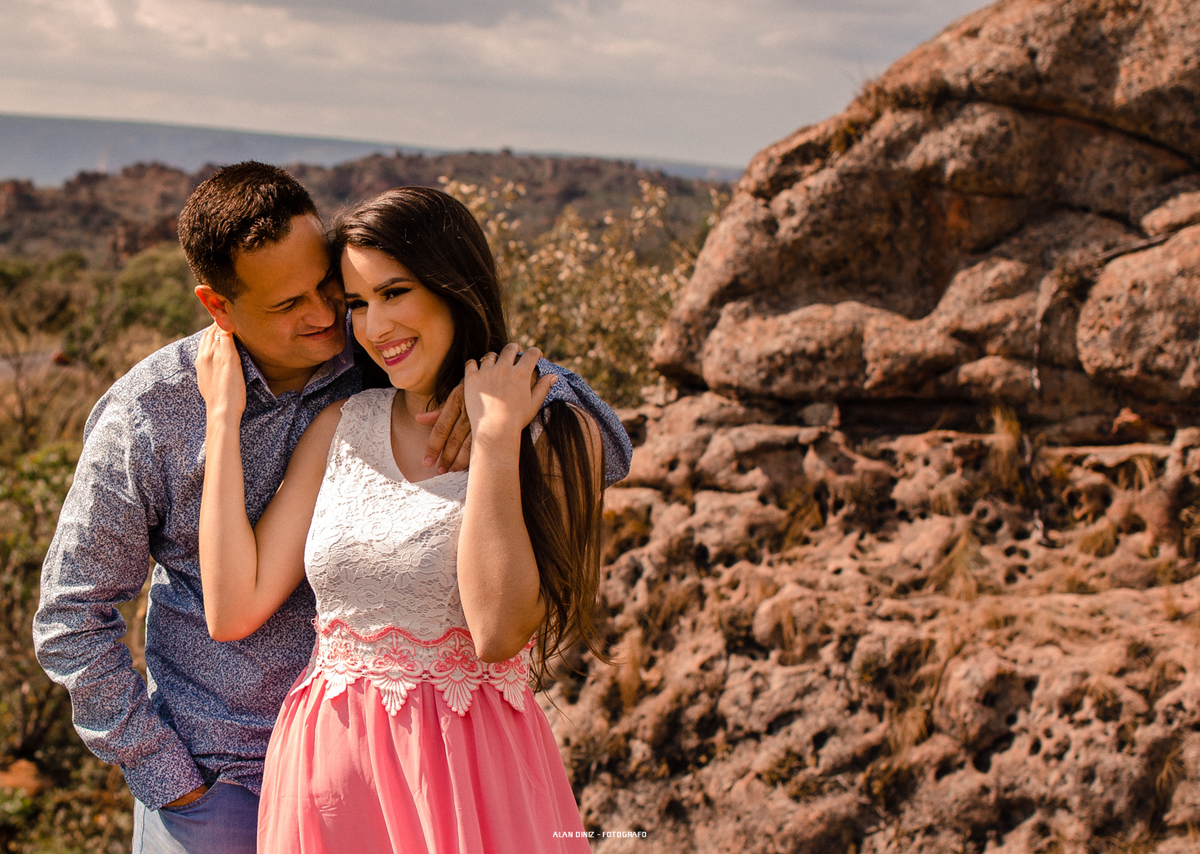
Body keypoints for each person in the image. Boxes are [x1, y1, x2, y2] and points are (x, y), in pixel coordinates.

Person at [32, 163, 631, 854]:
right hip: (217, 775)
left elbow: (601, 448)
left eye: (330, 291)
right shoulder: (151, 414)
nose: (328, 318)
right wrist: (169, 777)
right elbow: (72, 616)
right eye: (291, 305)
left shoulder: (376, 354)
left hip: (417, 762)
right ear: (218, 307)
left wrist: (509, 391)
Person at [195, 185, 599, 851]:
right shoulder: (342, 426)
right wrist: (222, 417)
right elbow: (232, 607)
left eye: (395, 293)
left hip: (470, 772)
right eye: (356, 303)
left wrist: (496, 438)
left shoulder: (550, 434)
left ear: (454, 285)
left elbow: (497, 631)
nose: (374, 327)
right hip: (327, 778)